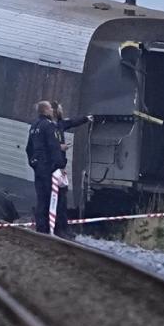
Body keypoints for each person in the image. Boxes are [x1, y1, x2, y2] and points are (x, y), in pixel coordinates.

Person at [49, 101, 92, 236]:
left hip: (60, 168)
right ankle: (56, 228)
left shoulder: (60, 124)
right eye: (60, 109)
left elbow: (72, 122)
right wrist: (59, 147)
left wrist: (86, 118)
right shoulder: (48, 127)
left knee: (62, 200)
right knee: (56, 200)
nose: (62, 111)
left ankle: (63, 228)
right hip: (52, 168)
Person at [25, 101, 61, 233]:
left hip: (38, 166)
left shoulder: (34, 126)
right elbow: (53, 147)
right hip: (47, 166)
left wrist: (33, 162)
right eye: (51, 108)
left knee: (41, 197)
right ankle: (48, 228)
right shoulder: (49, 126)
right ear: (45, 110)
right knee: (49, 197)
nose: (53, 111)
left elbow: (29, 148)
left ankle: (40, 226)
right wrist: (57, 165)